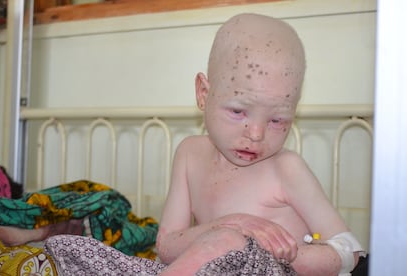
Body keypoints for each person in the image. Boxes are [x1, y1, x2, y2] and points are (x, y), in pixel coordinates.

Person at [155, 13, 364, 275]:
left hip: (275, 269)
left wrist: (265, 250)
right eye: (238, 112)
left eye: (277, 120)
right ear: (204, 94)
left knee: (229, 241)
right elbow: (166, 246)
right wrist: (229, 226)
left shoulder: (286, 169)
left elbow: (349, 251)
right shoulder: (189, 154)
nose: (255, 134)